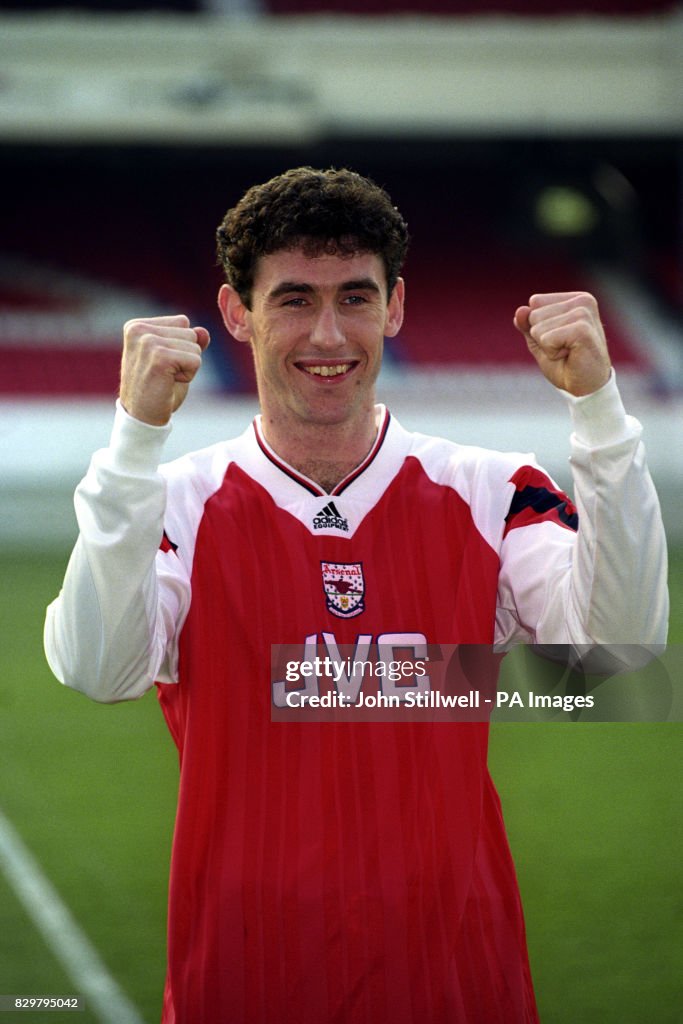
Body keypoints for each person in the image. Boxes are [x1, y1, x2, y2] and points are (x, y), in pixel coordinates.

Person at [44, 166, 668, 1024]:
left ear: (395, 307)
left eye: (355, 298)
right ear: (237, 314)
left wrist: (598, 413)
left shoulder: (494, 490)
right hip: (245, 977)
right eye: (294, 299)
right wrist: (132, 444)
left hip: (459, 982)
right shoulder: (173, 503)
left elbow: (620, 638)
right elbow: (97, 669)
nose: (328, 334)